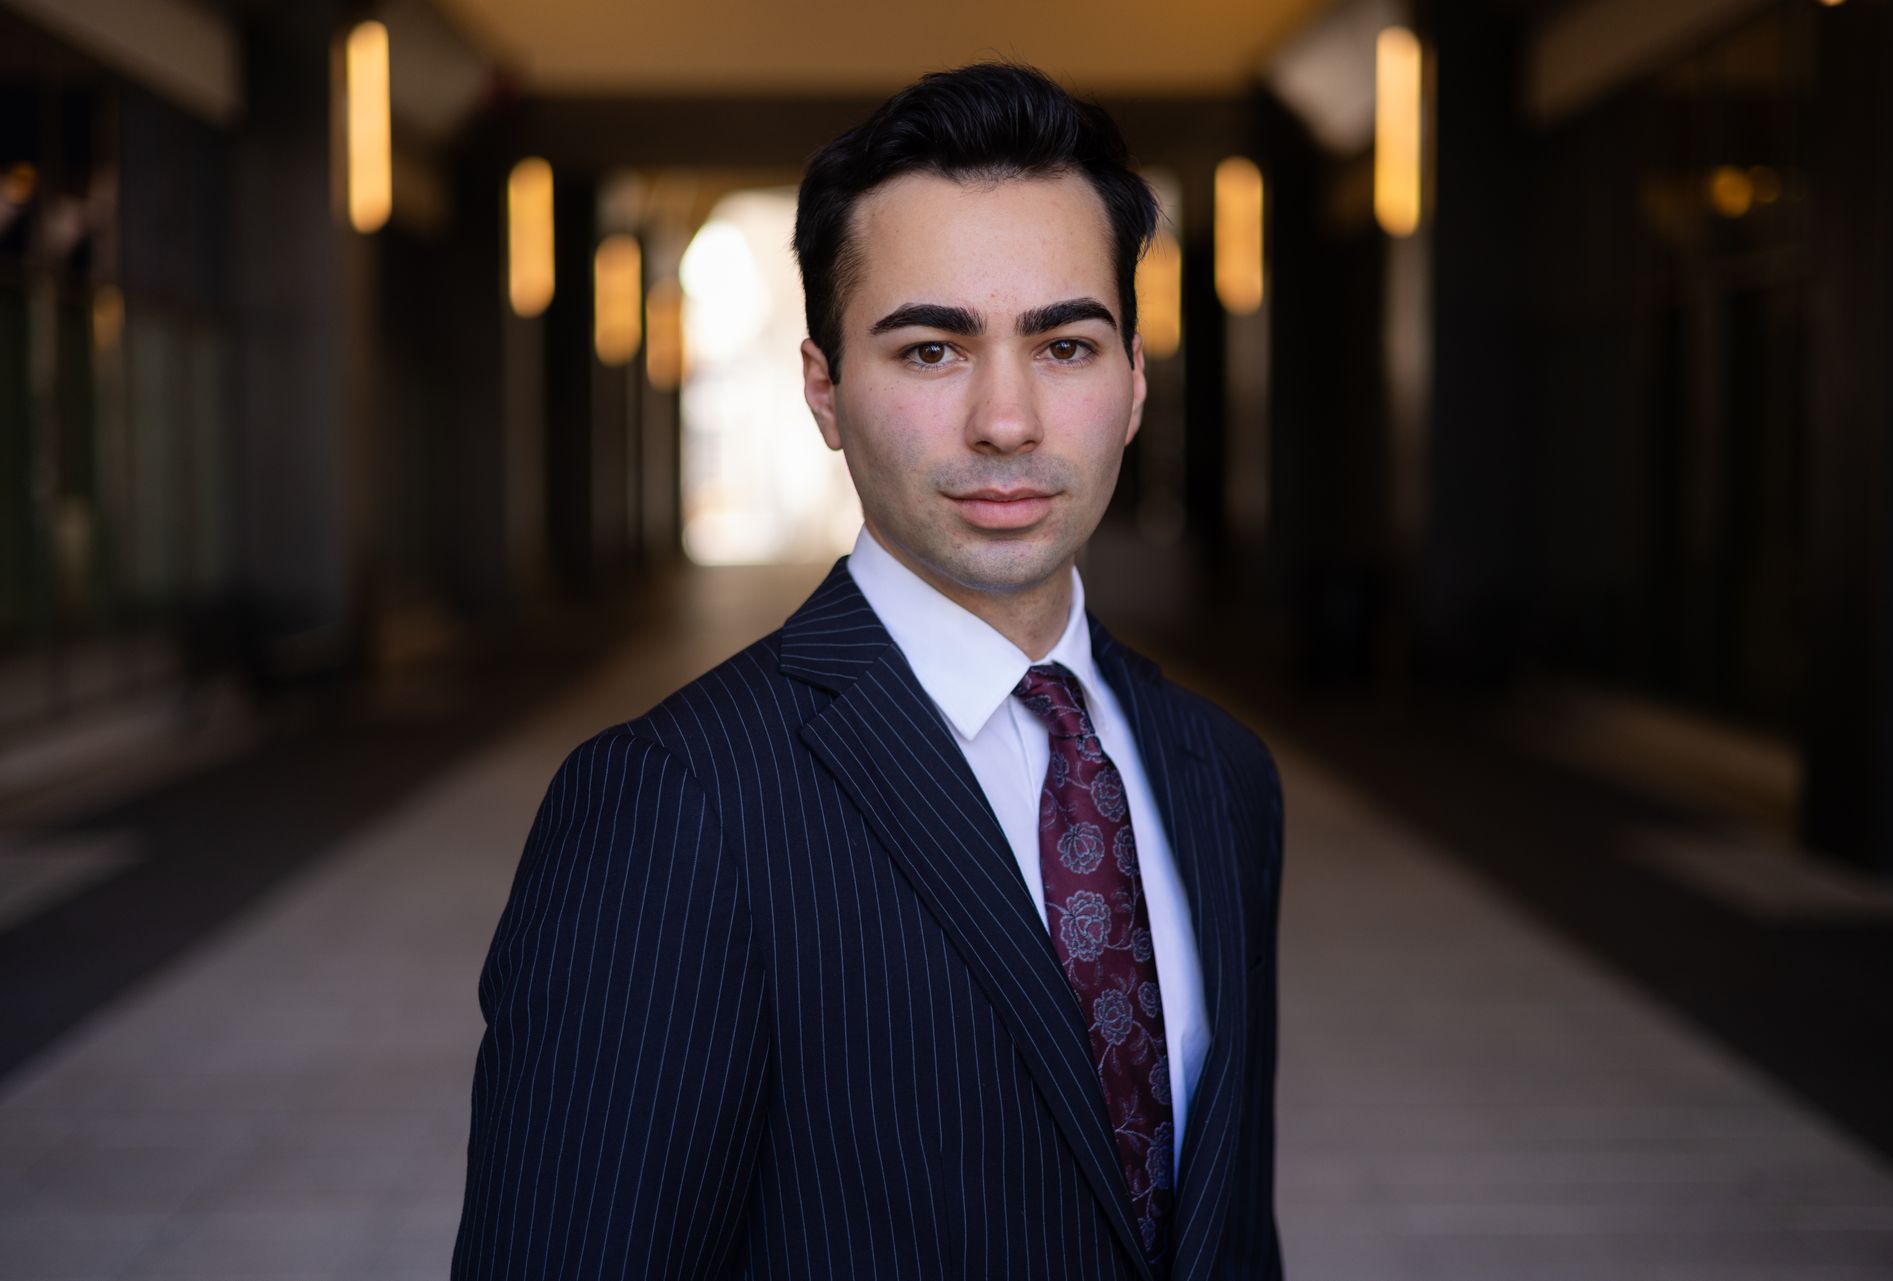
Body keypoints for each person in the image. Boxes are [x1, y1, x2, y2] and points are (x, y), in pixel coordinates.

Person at [451, 62, 1285, 1281]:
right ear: (824, 391)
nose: (1007, 420)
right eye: (933, 350)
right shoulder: (674, 806)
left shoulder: (1220, 773)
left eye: (1064, 344)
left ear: (1135, 384)